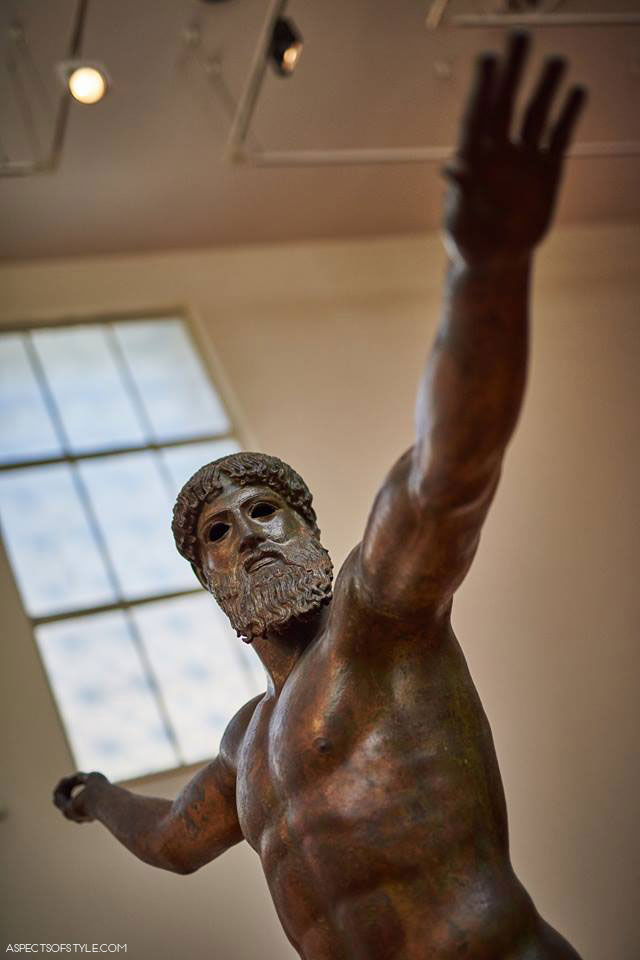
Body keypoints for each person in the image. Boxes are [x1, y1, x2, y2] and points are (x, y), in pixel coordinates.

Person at [54, 33, 586, 960]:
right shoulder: (243, 749)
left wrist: (487, 270)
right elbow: (173, 843)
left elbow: (449, 474)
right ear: (212, 580)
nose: (250, 533)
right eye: (220, 532)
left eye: (268, 510)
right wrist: (96, 791)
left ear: (311, 530)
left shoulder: (382, 618)